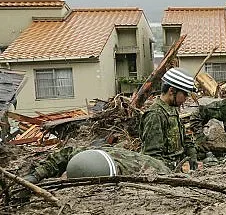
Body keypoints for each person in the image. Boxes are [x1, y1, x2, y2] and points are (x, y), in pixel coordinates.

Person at [141, 67, 198, 170]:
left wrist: (192, 154)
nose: (186, 99)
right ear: (171, 91)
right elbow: (152, 159)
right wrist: (177, 166)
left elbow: (184, 138)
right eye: (185, 94)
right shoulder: (155, 115)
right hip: (165, 171)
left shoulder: (172, 110)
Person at [21, 146, 170, 184]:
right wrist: (37, 174)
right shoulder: (87, 156)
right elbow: (63, 154)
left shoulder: (141, 173)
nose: (63, 177)